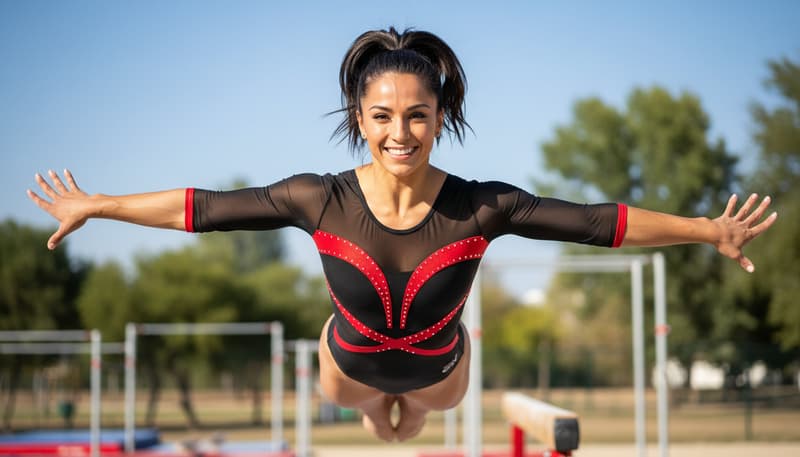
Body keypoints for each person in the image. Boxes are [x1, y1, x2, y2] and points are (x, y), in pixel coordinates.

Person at [28, 27, 776, 442]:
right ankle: (376, 409)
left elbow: (596, 223)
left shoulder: (483, 206)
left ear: (440, 117)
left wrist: (705, 228)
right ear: (360, 118)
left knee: (414, 419)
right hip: (348, 370)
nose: (400, 132)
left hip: (440, 372)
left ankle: (405, 409)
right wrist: (100, 204)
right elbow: (203, 209)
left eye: (418, 115)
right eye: (382, 116)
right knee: (378, 418)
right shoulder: (318, 198)